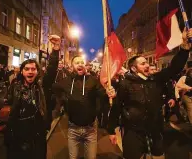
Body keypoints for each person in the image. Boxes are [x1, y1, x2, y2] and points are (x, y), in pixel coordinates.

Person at [108, 29, 192, 159]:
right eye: (143, 64)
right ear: (134, 69)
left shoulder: (156, 79)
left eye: (147, 62)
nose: (147, 65)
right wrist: (111, 129)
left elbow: (174, 68)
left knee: (158, 156)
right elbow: (117, 106)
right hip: (133, 131)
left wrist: (185, 47)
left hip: (155, 130)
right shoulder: (126, 84)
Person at [4, 35, 61, 159]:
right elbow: (8, 104)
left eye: (33, 69)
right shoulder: (15, 85)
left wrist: (56, 49)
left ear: (37, 71)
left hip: (37, 133)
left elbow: (51, 69)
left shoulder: (42, 85)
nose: (30, 71)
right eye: (27, 69)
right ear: (22, 71)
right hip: (17, 133)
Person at [52, 55, 116, 159]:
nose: (80, 64)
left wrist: (109, 92)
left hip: (90, 129)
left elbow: (103, 95)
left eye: (82, 62)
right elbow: (52, 87)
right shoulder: (66, 81)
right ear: (72, 66)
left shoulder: (93, 80)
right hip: (73, 128)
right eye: (77, 62)